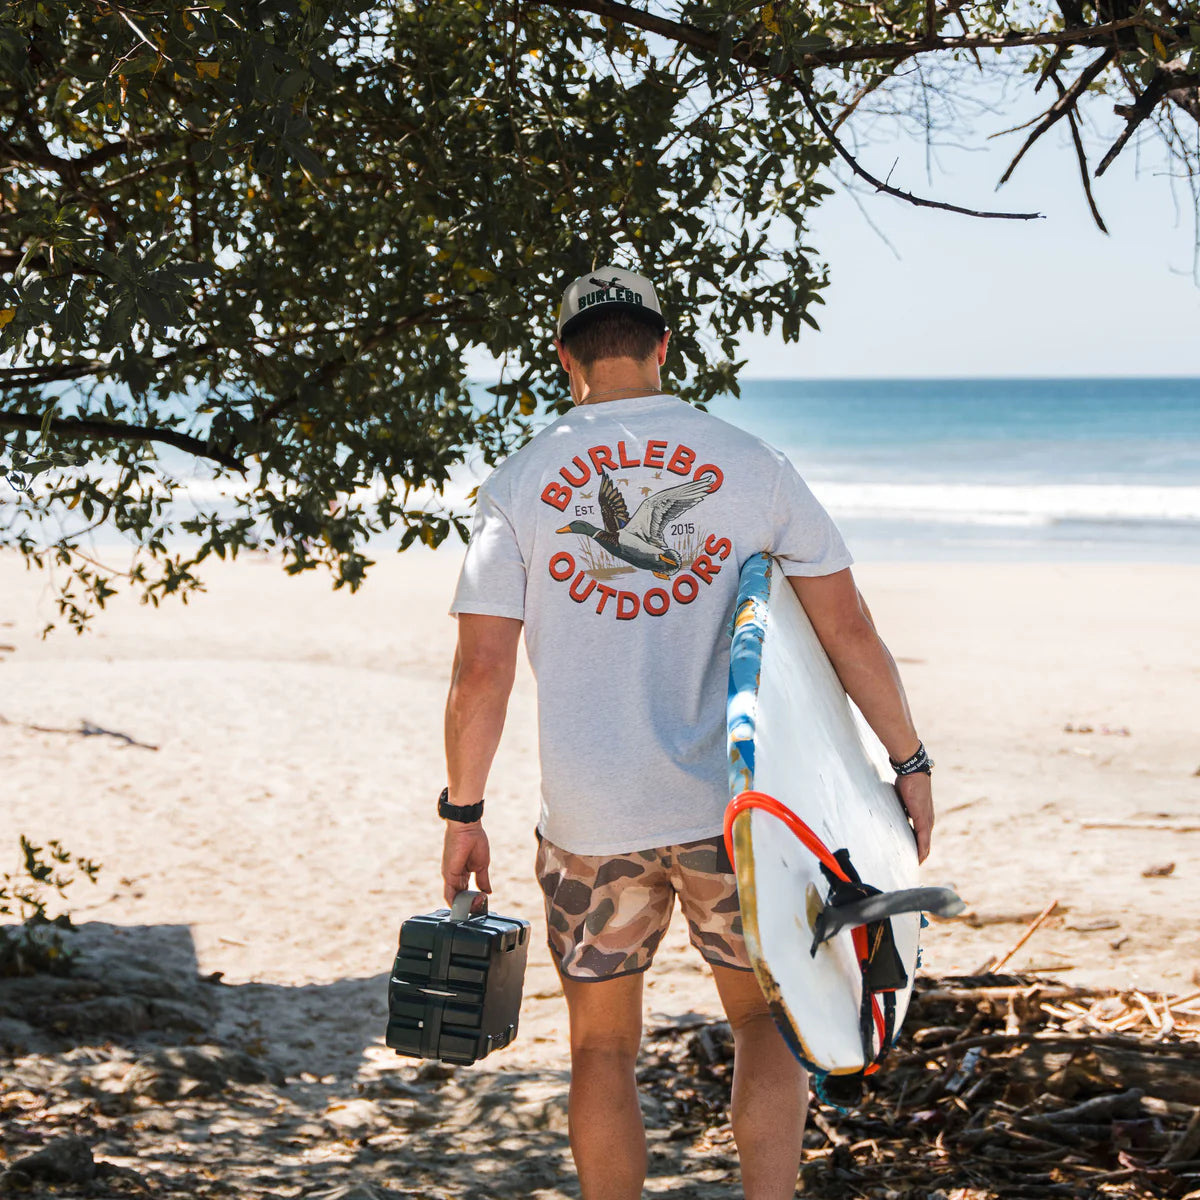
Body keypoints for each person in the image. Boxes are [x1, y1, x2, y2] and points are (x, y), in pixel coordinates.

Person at [439, 267, 934, 1200]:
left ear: (564, 359)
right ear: (664, 347)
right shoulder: (752, 464)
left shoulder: (519, 481)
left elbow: (480, 675)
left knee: (601, 1047)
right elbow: (847, 629)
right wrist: (907, 761)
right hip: (738, 812)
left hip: (589, 818)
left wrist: (463, 812)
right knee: (763, 1025)